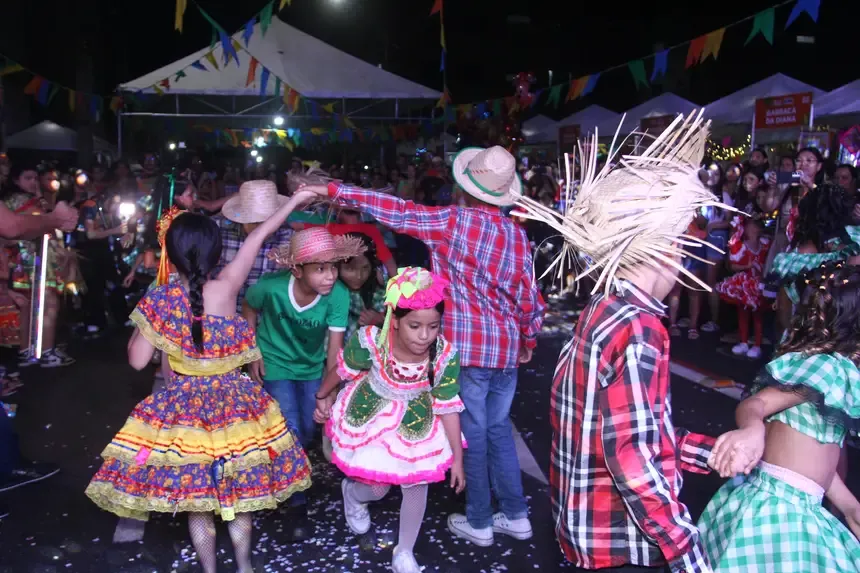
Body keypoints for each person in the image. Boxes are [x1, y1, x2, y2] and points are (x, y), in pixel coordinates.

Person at [518, 112, 740, 571]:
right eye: (680, 241)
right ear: (663, 248)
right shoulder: (641, 329)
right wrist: (686, 550)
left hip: (584, 532)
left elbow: (632, 434)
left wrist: (712, 452)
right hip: (620, 546)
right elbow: (634, 461)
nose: (683, 253)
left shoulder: (602, 309)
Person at [301, 144, 545, 548]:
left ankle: (481, 520)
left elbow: (395, 209)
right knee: (499, 430)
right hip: (505, 351)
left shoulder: (452, 221)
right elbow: (529, 299)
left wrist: (333, 191)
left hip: (465, 351)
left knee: (473, 433)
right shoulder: (517, 236)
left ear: (466, 188)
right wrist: (527, 338)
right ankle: (517, 516)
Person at [84, 193, 315, 573]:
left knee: (199, 502)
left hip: (185, 416)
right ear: (216, 253)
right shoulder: (227, 285)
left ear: (170, 254)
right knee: (239, 498)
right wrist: (297, 199)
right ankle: (244, 567)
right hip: (236, 409)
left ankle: (209, 571)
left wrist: (150, 328)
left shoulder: (160, 298)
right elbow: (261, 235)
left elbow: (137, 360)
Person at [699, 261, 860, 571]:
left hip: (794, 505)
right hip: (779, 513)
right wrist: (752, 429)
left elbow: (813, 463)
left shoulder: (835, 374)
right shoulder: (828, 368)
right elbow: (756, 404)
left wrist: (850, 508)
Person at [313, 267, 466, 573]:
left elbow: (448, 407)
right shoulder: (372, 340)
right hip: (372, 411)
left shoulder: (444, 355)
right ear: (394, 320)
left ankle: (404, 552)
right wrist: (322, 396)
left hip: (416, 420)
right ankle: (352, 494)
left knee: (416, 485)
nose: (424, 336)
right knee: (378, 488)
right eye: (414, 326)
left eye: (433, 326)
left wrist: (458, 460)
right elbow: (344, 369)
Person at [243, 226, 360, 539]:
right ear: (296, 269)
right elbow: (249, 307)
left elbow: (335, 349)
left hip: (311, 368)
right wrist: (251, 349)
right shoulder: (270, 287)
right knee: (291, 427)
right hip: (276, 363)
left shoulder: (338, 295)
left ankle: (285, 471)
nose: (330, 276)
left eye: (333, 267)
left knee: (310, 428)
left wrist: (328, 391)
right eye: (320, 268)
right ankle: (295, 504)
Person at [213, 180, 294, 312]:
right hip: (225, 315)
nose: (262, 228)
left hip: (266, 319)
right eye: (255, 221)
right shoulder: (217, 231)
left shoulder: (288, 237)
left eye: (267, 221)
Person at [716, 216, 770, 359]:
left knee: (757, 314)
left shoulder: (765, 244)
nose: (752, 229)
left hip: (759, 283)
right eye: (749, 226)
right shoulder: (741, 246)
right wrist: (747, 266)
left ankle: (757, 344)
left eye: (754, 226)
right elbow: (733, 266)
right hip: (745, 282)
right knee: (743, 312)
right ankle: (744, 341)